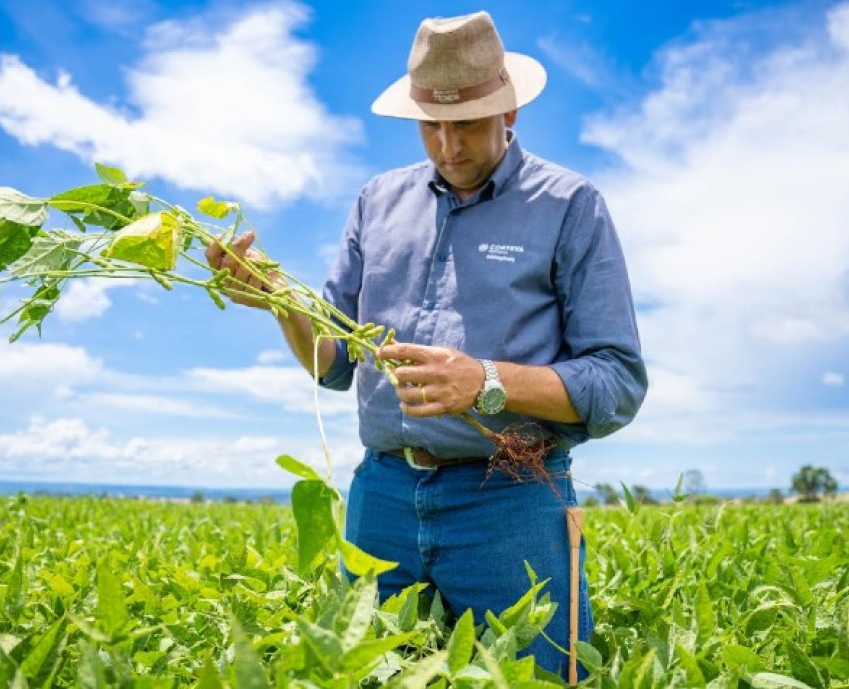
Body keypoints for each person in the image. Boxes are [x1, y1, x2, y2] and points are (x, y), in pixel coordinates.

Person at [206, 11, 647, 680]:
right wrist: (277, 301)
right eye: (430, 125)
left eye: (466, 123)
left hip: (509, 498)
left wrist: (486, 381)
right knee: (370, 672)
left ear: (510, 112)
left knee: (532, 674)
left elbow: (617, 382)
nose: (448, 146)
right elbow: (334, 362)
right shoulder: (376, 203)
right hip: (382, 493)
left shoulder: (569, 206)